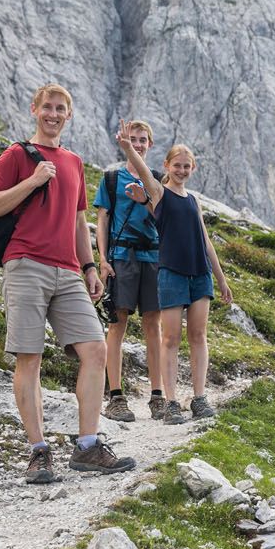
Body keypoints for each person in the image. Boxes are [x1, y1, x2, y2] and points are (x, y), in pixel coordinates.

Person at [0, 85, 136, 483]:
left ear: (70, 115)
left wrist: (88, 267)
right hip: (25, 263)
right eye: (46, 107)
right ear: (34, 110)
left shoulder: (74, 162)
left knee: (96, 349)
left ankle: (87, 446)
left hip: (67, 271)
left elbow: (77, 220)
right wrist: (31, 182)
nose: (52, 113)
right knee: (29, 356)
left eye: (60, 109)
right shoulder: (17, 155)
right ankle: (38, 452)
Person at [116, 123, 231, 423]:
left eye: (187, 166)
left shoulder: (193, 201)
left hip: (200, 274)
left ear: (193, 168)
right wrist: (129, 148)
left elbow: (205, 240)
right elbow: (142, 171)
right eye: (176, 165)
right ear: (166, 166)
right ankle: (170, 403)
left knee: (198, 335)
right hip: (171, 273)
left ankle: (199, 398)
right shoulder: (158, 194)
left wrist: (221, 279)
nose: (181, 170)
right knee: (170, 339)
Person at [94, 120, 165, 422]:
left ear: (150, 144)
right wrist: (102, 258)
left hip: (153, 256)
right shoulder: (110, 179)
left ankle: (158, 396)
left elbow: (163, 214)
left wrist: (145, 198)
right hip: (121, 255)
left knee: (153, 325)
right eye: (132, 139)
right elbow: (102, 219)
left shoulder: (159, 179)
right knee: (117, 324)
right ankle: (116, 396)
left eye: (142, 140)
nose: (137, 144)